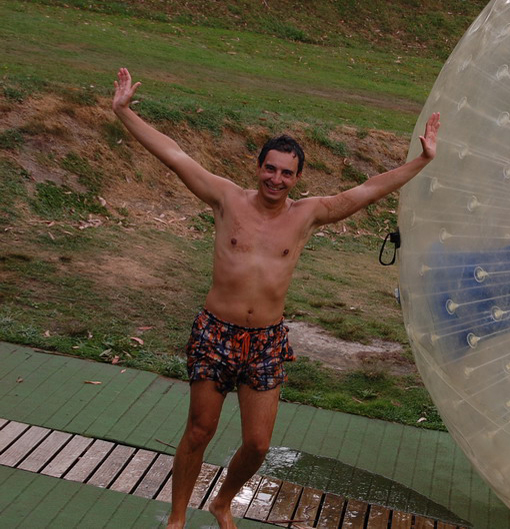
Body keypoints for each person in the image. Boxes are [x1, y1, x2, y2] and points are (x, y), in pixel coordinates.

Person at [111, 67, 439, 529]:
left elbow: (366, 190)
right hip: (216, 334)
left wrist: (421, 160)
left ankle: (223, 501)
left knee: (259, 443)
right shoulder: (227, 199)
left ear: (297, 177)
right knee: (200, 431)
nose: (276, 179)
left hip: (266, 341)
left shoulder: (307, 215)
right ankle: (177, 518)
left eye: (286, 173)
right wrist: (124, 112)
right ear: (258, 167)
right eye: (270, 168)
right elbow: (175, 155)